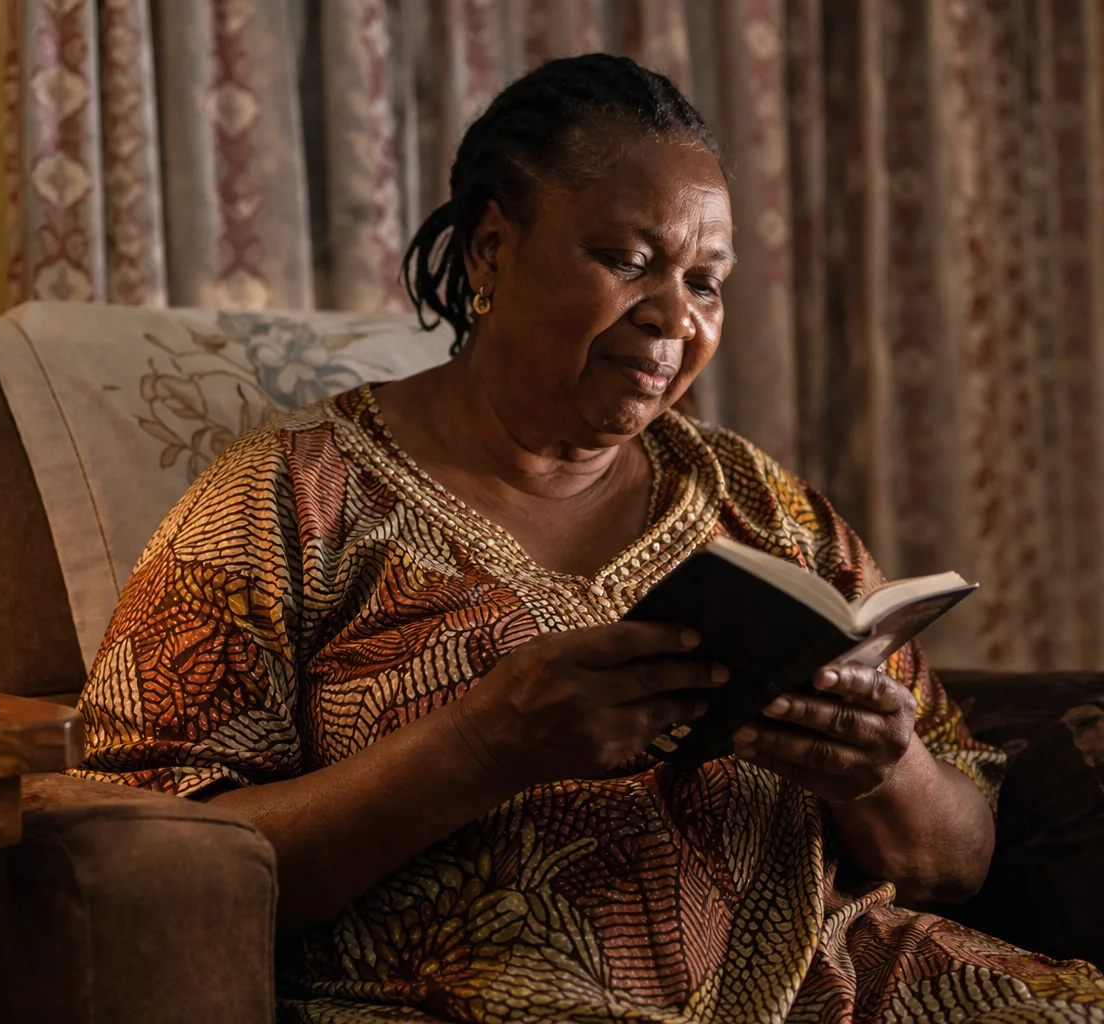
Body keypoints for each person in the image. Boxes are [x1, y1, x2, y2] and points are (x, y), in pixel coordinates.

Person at [74, 54, 1104, 1023]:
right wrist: (480, 745)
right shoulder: (289, 499)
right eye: (626, 259)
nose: (675, 317)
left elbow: (959, 856)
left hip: (837, 987)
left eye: (706, 280)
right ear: (492, 248)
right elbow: (144, 865)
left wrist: (882, 769)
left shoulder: (760, 503)